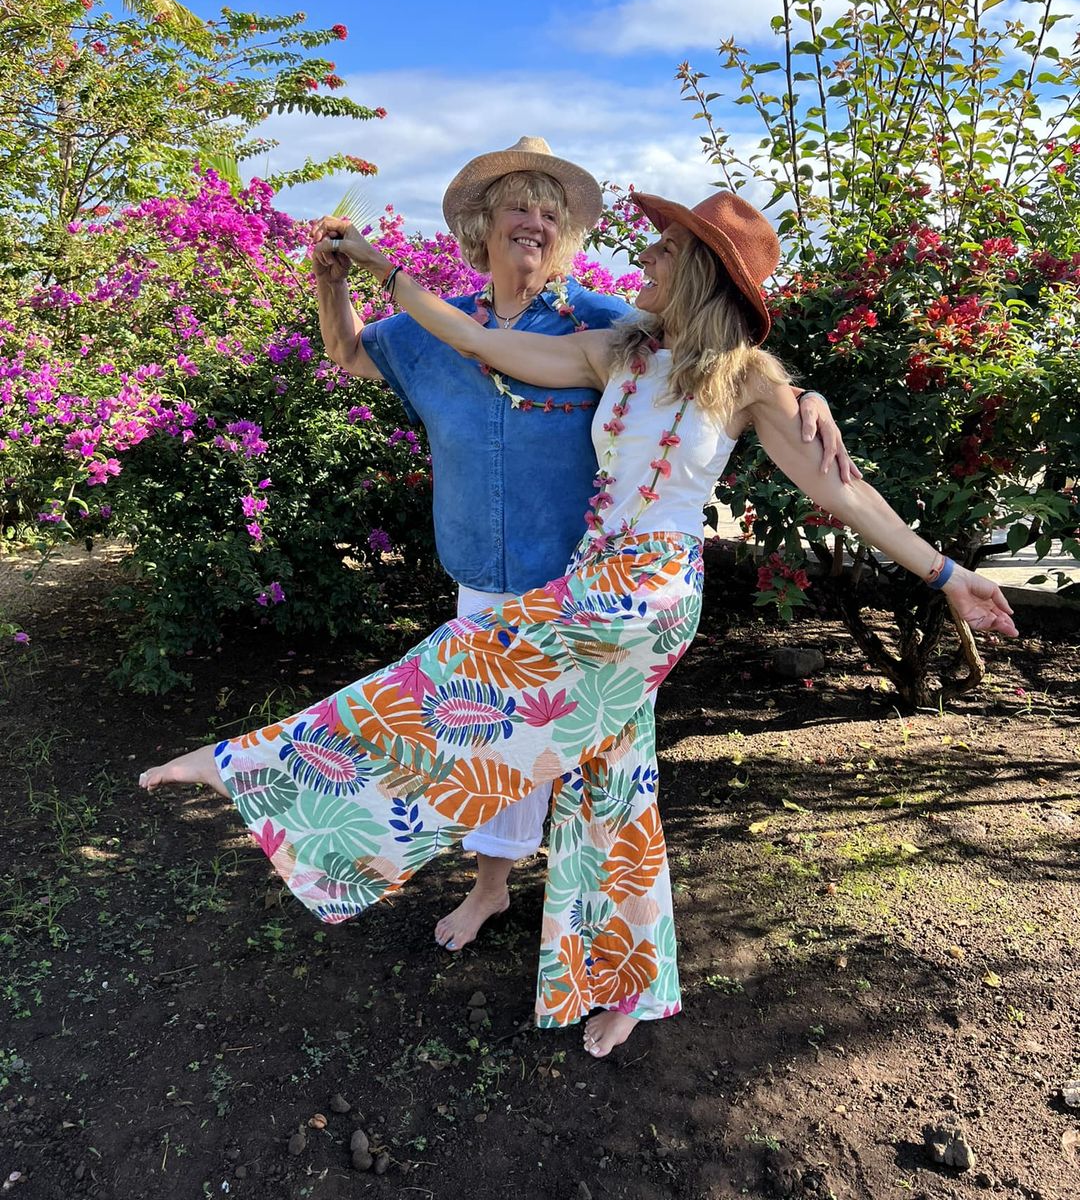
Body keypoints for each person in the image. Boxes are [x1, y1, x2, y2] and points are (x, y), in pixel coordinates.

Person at [141, 186, 1017, 1060]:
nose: (646, 258)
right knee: (611, 792)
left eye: (665, 249)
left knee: (463, 667)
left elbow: (843, 490)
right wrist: (383, 273)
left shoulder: (745, 378)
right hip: (595, 575)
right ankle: (632, 983)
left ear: (702, 269)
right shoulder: (618, 352)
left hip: (648, 596)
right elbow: (483, 341)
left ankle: (261, 772)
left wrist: (946, 574)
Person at [310, 137, 856, 953]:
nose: (534, 222)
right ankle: (491, 889)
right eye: (518, 207)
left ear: (565, 237)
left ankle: (604, 940)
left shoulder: (607, 325)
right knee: (487, 739)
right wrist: (332, 285)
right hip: (481, 567)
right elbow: (347, 355)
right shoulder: (429, 328)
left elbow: (709, 351)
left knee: (596, 770)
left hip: (584, 588)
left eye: (549, 212)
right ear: (481, 226)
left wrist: (794, 392)